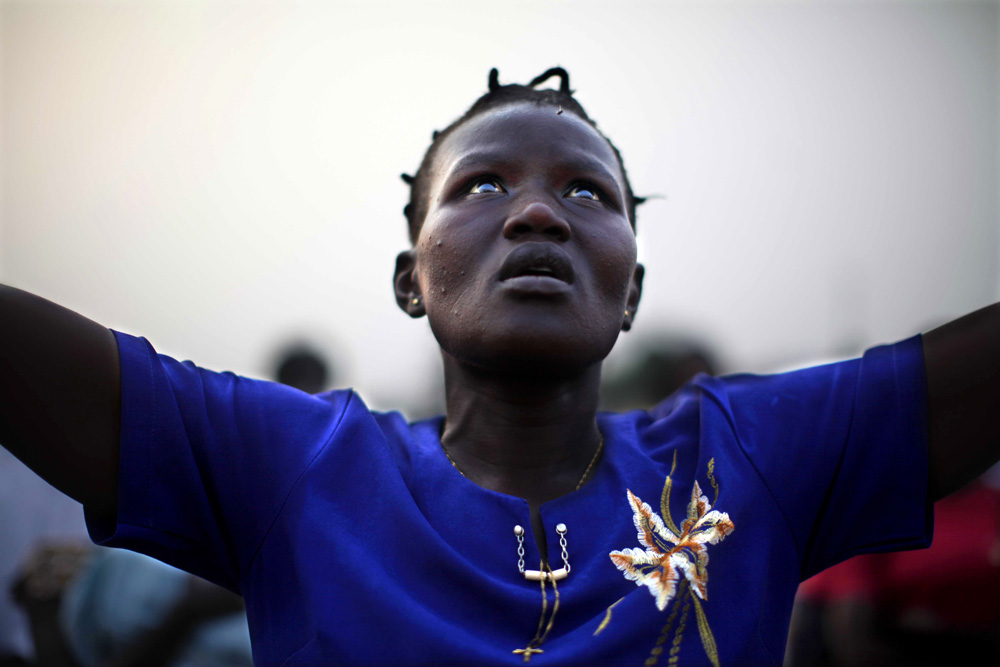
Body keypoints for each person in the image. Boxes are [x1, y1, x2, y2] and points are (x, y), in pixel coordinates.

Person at [0, 66, 998, 666]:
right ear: (410, 280)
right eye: (481, 183)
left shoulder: (747, 453)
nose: (535, 213)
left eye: (584, 193)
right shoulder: (301, 463)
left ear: (631, 293)